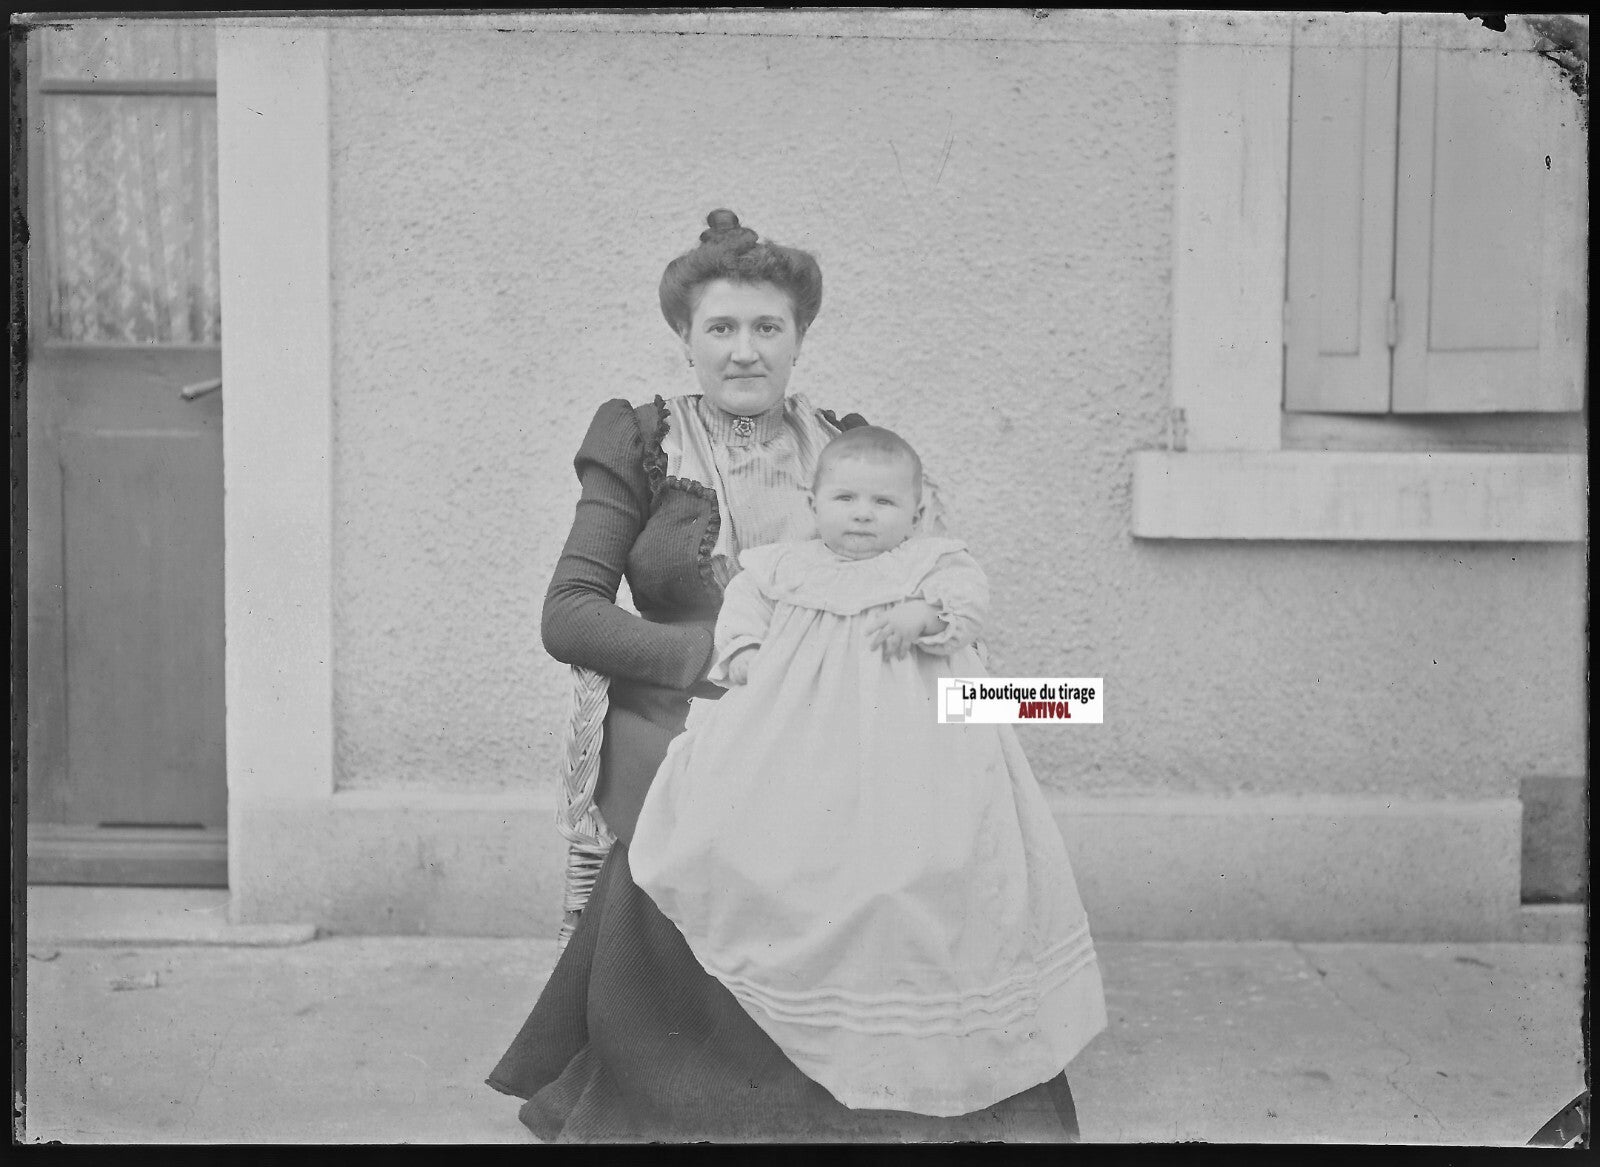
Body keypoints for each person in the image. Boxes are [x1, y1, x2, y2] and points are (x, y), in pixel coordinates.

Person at [487, 210, 1089, 1142]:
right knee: (718, 821)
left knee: (932, 816)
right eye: (720, 328)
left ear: (800, 338)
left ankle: (906, 1064)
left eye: (768, 328)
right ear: (685, 339)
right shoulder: (644, 440)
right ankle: (709, 1090)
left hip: (854, 699)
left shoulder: (850, 449)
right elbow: (567, 614)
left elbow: (937, 579)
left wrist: (944, 658)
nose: (743, 351)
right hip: (691, 697)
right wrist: (726, 660)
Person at [631, 425, 1107, 1120]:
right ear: (813, 500)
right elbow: (740, 619)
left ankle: (914, 1047)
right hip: (799, 737)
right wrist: (750, 658)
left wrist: (927, 614)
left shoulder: (933, 563)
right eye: (845, 497)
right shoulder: (779, 566)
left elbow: (969, 603)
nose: (861, 513)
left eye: (883, 502)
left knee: (916, 866)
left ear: (915, 513)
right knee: (740, 828)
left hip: (917, 747)